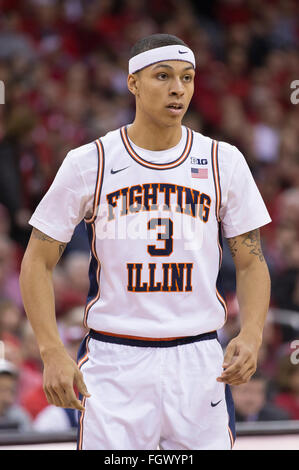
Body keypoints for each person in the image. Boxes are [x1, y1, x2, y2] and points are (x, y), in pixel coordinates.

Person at [19, 34, 271, 450]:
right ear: (133, 83)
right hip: (115, 360)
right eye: (163, 76)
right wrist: (51, 352)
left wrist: (253, 334)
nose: (178, 88)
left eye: (187, 78)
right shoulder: (90, 162)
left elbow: (251, 261)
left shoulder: (224, 161)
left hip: (199, 360)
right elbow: (36, 261)